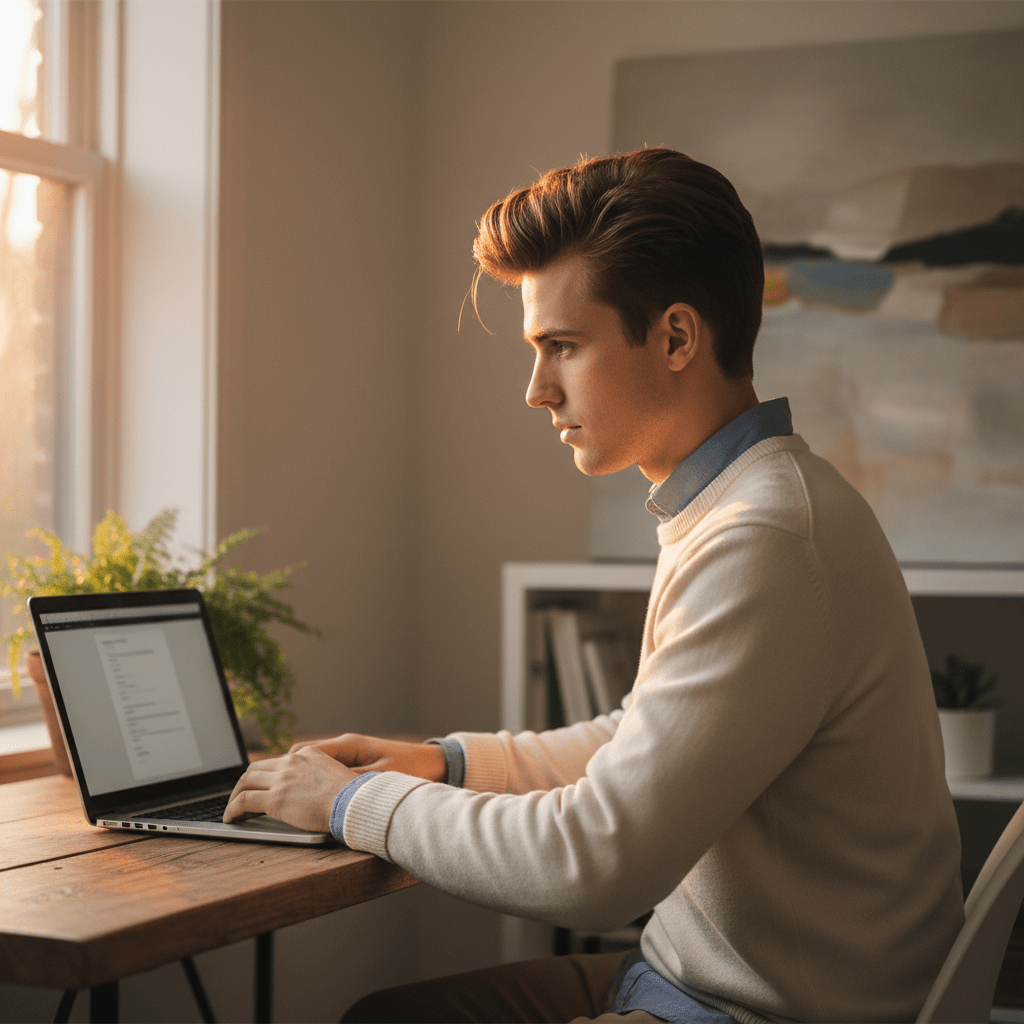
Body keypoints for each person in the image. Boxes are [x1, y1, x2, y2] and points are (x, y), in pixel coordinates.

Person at [224, 148, 964, 1024]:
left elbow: (594, 864)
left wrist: (351, 803)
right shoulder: (742, 502)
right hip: (684, 979)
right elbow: (649, 737)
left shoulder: (764, 535)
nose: (537, 390)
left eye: (562, 348)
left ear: (678, 337)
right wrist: (445, 762)